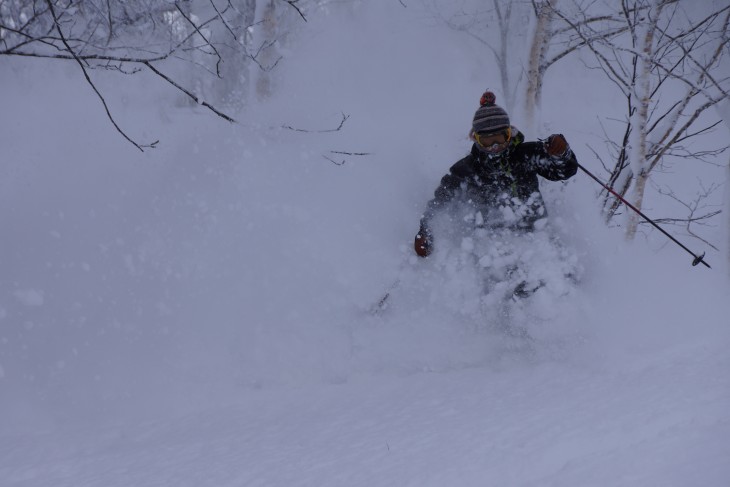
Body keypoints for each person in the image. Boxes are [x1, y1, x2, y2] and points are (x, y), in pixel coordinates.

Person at [414, 91, 578, 258]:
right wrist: (425, 228)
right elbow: (442, 198)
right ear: (476, 139)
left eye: (499, 138)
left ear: (509, 134)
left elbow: (563, 171)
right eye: (486, 141)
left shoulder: (527, 155)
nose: (494, 147)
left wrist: (561, 153)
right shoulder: (465, 169)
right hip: (491, 249)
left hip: (536, 236)